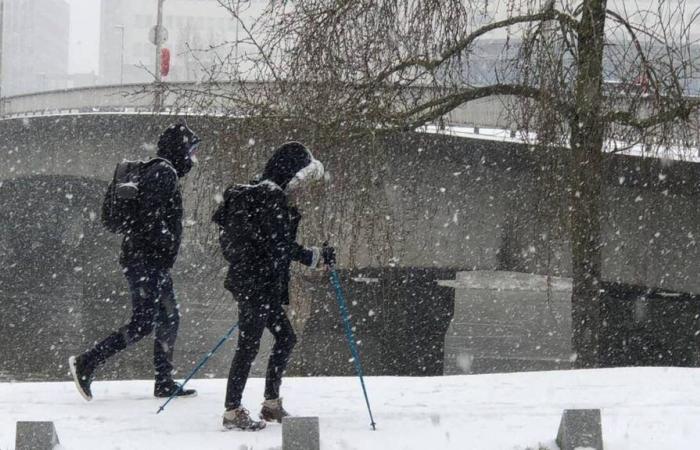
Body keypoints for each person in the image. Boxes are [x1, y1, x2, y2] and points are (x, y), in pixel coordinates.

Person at [68, 123, 201, 401]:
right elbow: (150, 218)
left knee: (170, 317)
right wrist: (165, 242)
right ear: (179, 150)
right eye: (190, 151)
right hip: (146, 261)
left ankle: (163, 381)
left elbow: (147, 217)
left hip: (150, 261)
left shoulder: (160, 171)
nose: (192, 158)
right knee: (143, 323)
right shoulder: (163, 173)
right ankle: (87, 362)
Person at [212, 141, 335, 431]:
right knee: (249, 345)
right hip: (256, 286)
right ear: (289, 173)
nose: (301, 186)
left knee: (284, 338)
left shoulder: (261, 193)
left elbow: (275, 243)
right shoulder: (269, 198)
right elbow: (280, 246)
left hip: (256, 285)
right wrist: (315, 256)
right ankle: (232, 411)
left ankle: (270, 404)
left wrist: (309, 254)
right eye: (300, 178)